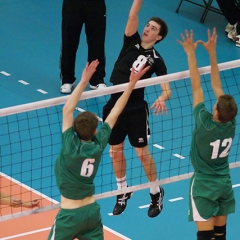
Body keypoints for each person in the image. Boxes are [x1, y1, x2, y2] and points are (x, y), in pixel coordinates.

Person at [48, 60, 150, 240]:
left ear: (74, 130)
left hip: (70, 215)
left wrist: (83, 80)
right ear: (95, 131)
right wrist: (132, 83)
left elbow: (66, 109)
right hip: (91, 213)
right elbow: (115, 112)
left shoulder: (70, 146)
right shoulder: (98, 143)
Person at [102, 0, 171, 218]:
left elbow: (167, 89)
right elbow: (133, 15)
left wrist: (162, 97)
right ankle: (123, 190)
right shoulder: (130, 41)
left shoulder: (157, 60)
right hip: (114, 104)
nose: (147, 28)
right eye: (148, 25)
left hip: (135, 109)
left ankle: (155, 191)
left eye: (153, 28)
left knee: (142, 153)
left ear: (159, 37)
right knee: (115, 152)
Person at [177, 28, 238, 240]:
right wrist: (212, 54)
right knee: (220, 235)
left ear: (215, 111)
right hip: (224, 183)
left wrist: (191, 54)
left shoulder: (205, 123)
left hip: (204, 184)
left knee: (206, 237)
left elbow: (197, 87)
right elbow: (216, 85)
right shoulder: (231, 123)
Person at [60, 0, 107, 94]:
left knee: (97, 42)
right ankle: (67, 80)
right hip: (73, 4)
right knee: (69, 41)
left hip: (96, 4)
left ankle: (96, 80)